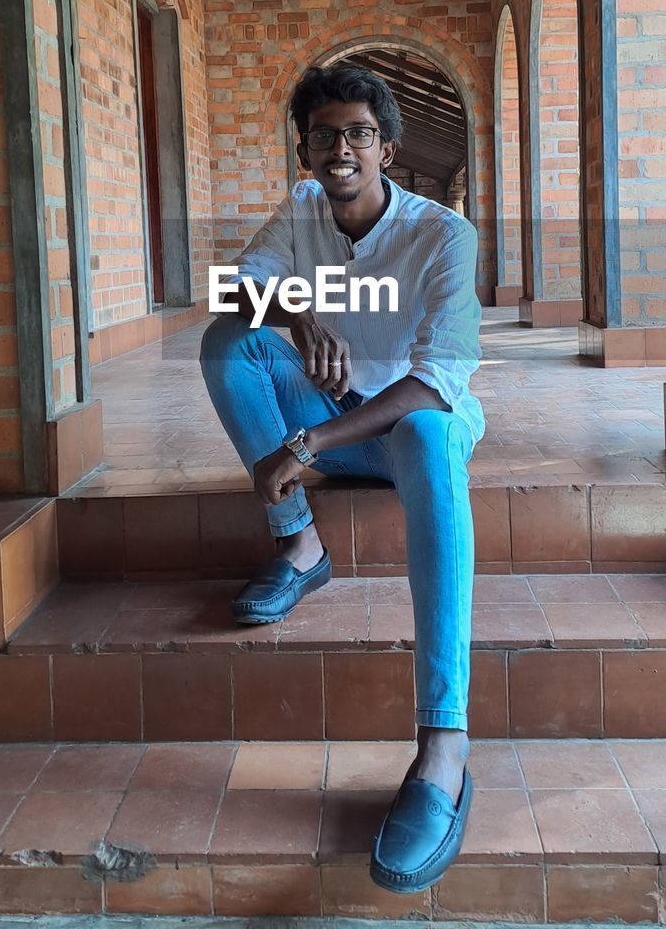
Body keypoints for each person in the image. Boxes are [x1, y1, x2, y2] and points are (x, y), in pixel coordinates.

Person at [199, 61, 484, 893]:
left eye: (359, 132)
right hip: (328, 408)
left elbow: (439, 378)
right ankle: (298, 548)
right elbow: (232, 289)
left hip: (399, 430)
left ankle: (444, 743)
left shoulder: (443, 235)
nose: (341, 148)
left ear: (387, 147)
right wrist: (295, 311)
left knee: (430, 430)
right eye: (324, 134)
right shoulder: (301, 210)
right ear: (306, 148)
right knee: (232, 341)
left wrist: (313, 441)